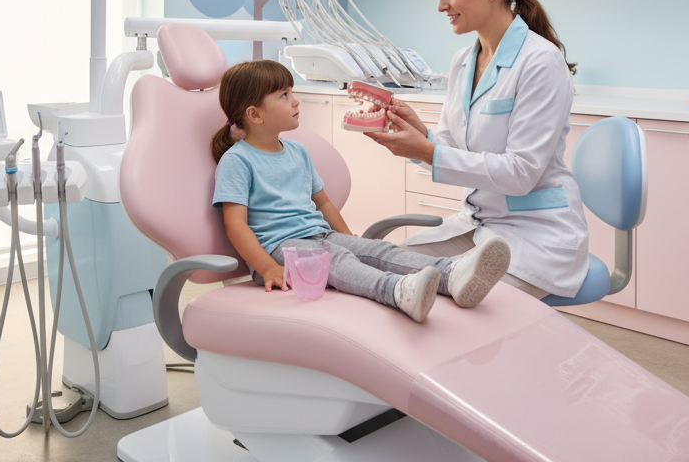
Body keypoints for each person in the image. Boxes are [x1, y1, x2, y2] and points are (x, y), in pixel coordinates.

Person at [365, 0, 589, 300]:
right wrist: (418, 134)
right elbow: (452, 148)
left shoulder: (540, 62)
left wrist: (426, 151)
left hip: (538, 236)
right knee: (382, 269)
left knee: (450, 304)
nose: (442, 5)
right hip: (479, 224)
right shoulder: (462, 62)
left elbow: (519, 174)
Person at [210, 59, 511, 323]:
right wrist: (267, 267)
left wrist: (351, 240)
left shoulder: (297, 152)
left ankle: (451, 274)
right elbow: (235, 225)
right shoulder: (237, 161)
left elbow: (324, 205)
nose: (295, 101)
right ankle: (397, 292)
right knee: (338, 259)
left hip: (319, 236)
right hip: (280, 250)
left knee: (376, 249)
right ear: (255, 115)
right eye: (284, 95)